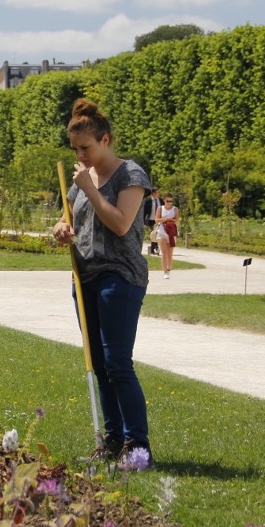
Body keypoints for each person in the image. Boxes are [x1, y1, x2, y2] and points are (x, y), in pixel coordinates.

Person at [52, 99, 152, 466]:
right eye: (76, 149)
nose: (81, 155)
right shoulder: (81, 180)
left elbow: (122, 224)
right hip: (85, 278)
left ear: (105, 139)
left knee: (117, 363)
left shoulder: (131, 175)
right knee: (97, 362)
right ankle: (112, 440)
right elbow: (70, 223)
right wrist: (61, 230)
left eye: (87, 148)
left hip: (120, 276)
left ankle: (138, 447)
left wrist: (91, 190)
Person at [155, 192, 179, 279]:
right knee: (164, 253)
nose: (169, 202)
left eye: (170, 201)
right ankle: (165, 272)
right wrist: (166, 219)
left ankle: (169, 269)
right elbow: (157, 220)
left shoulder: (175, 209)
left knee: (170, 254)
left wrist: (171, 220)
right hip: (162, 231)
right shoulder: (160, 208)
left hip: (172, 231)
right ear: (164, 200)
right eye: (167, 201)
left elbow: (177, 220)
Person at [145, 188, 161, 256]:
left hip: (159, 220)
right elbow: (145, 211)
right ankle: (156, 248)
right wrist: (143, 220)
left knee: (156, 234)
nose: (159, 194)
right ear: (153, 193)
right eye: (157, 192)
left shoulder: (161, 201)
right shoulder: (149, 201)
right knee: (154, 234)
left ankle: (153, 248)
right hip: (152, 220)